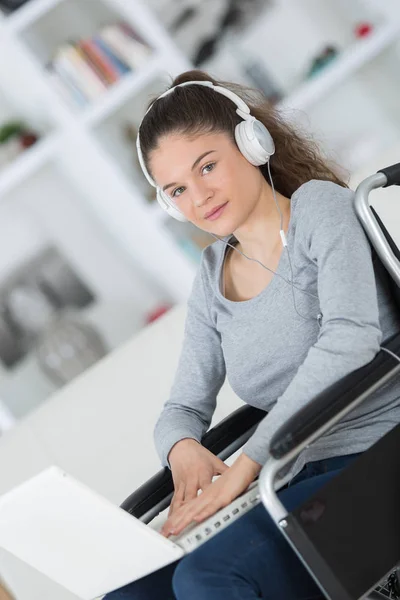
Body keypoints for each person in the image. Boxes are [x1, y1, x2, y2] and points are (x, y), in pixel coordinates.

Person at [105, 69, 400, 599]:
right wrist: (182, 450)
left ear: (252, 143)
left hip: (379, 459)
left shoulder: (319, 210)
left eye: (208, 166)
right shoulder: (212, 275)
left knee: (210, 579)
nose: (199, 196)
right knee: (126, 594)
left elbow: (350, 341)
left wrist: (246, 467)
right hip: (298, 480)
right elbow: (182, 407)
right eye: (178, 189)